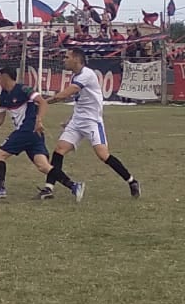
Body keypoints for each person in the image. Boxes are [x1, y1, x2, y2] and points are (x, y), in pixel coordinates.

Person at [46, 47, 141, 198]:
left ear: (76, 59)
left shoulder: (86, 75)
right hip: (77, 121)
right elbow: (81, 101)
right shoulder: (76, 76)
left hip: (92, 122)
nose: (63, 60)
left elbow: (63, 95)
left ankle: (131, 181)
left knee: (103, 155)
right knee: (59, 150)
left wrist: (43, 102)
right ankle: (48, 188)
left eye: (66, 57)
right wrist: (71, 119)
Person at [0, 67, 81, 201]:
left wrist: (39, 120)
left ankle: (0, 189)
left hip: (27, 129)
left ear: (6, 77)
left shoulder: (23, 89)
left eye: (0, 77)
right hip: (33, 134)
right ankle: (74, 186)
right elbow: (1, 116)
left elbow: (43, 102)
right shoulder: (4, 95)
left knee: (0, 155)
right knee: (43, 166)